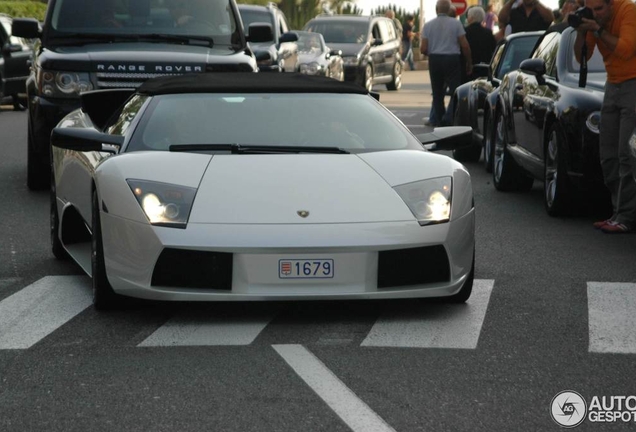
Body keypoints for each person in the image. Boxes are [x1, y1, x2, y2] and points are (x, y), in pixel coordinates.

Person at [574, 0, 636, 233]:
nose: (596, 13)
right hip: (611, 85)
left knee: (626, 153)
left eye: (600, 9)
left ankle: (627, 217)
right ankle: (618, 212)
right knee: (608, 154)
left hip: (633, 84)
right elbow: (583, 56)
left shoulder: (628, 10)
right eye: (593, 9)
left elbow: (626, 49)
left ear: (611, 4)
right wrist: (582, 32)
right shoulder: (593, 18)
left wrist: (598, 29)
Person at [421, 0, 472, 127]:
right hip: (452, 59)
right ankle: (449, 116)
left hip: (435, 59)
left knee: (437, 92)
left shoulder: (428, 25)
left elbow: (423, 48)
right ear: (449, 9)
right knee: (455, 90)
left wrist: (432, 54)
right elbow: (464, 45)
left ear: (436, 9)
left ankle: (439, 119)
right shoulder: (456, 24)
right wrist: (469, 61)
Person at [464, 7, 497, 81]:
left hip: (469, 69)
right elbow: (493, 49)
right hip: (484, 68)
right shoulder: (488, 33)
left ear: (471, 17)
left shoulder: (465, 32)